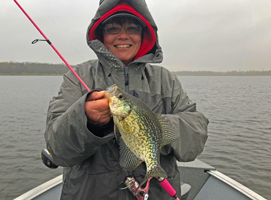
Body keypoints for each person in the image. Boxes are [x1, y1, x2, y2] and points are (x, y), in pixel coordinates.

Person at [44, 0, 209, 199]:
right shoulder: (77, 77)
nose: (123, 35)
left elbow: (196, 134)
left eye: (132, 27)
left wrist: (154, 130)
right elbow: (57, 148)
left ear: (144, 34)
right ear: (101, 35)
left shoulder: (166, 80)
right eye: (112, 28)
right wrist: (87, 121)